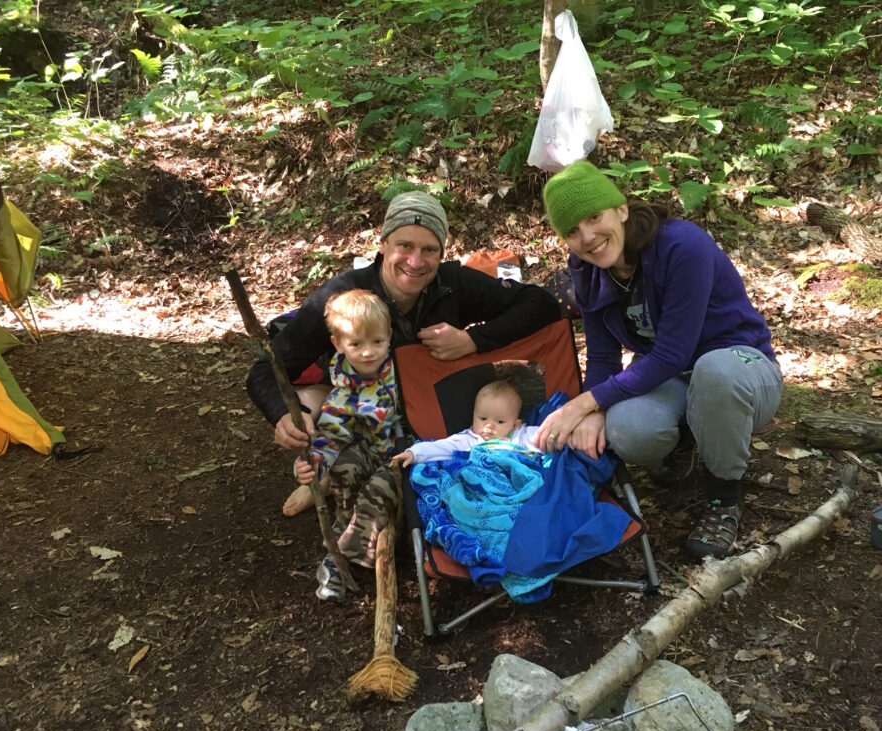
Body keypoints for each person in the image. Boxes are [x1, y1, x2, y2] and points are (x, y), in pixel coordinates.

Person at [534, 161, 783, 560]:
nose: (588, 237)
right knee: (627, 430)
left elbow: (673, 351)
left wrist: (585, 402)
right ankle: (686, 442)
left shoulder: (682, 247)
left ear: (622, 210)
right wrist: (596, 410)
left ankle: (723, 499)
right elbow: (602, 355)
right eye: (572, 231)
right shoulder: (589, 270)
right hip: (673, 380)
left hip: (742, 367)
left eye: (594, 217)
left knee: (714, 371)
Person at [246, 190, 562, 455]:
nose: (415, 262)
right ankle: (327, 472)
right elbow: (266, 369)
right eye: (405, 246)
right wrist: (282, 413)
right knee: (308, 403)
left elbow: (542, 304)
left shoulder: (452, 283)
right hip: (366, 406)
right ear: (383, 244)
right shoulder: (343, 298)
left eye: (429, 250)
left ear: (441, 253)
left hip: (438, 410)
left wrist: (473, 340)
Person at [292, 289, 398, 602]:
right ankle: (350, 528)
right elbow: (329, 439)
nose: (369, 353)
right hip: (369, 453)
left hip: (404, 456)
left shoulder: (402, 370)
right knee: (345, 464)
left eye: (377, 342)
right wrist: (311, 465)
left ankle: (337, 559)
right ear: (338, 344)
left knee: (382, 483)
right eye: (356, 344)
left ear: (389, 336)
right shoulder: (342, 394)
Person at [392, 379, 543, 467]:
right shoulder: (469, 440)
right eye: (482, 418)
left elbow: (545, 435)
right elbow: (442, 447)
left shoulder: (520, 436)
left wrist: (562, 437)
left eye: (500, 421)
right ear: (473, 416)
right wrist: (414, 453)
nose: (489, 426)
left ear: (515, 424)